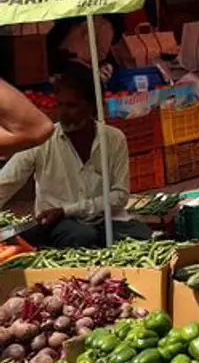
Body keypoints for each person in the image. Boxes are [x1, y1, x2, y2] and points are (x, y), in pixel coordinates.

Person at [0, 66, 152, 247]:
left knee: (144, 236)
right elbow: (6, 181)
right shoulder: (43, 140)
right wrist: (62, 215)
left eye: (72, 106)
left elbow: (119, 196)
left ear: (92, 107)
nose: (63, 113)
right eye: (60, 104)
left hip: (103, 220)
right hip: (58, 225)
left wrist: (67, 210)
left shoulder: (114, 139)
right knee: (81, 236)